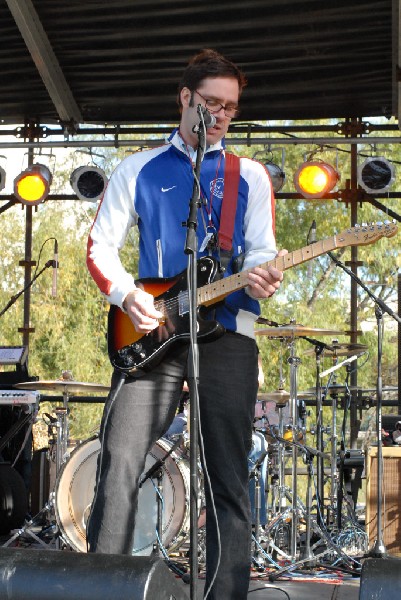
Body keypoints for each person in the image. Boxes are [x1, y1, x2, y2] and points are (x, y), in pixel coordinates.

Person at [86, 48, 285, 599]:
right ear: (185, 98)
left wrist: (261, 277)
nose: (220, 115)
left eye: (230, 108)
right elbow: (100, 248)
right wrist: (128, 295)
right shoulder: (138, 168)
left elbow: (260, 253)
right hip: (151, 331)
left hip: (228, 335)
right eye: (211, 104)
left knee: (228, 478)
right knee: (120, 461)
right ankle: (104, 588)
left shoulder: (250, 176)